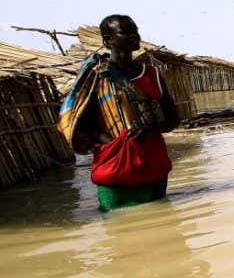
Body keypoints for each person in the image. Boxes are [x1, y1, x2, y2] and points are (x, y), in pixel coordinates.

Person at [58, 15, 179, 212]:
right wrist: (113, 143)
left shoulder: (151, 74)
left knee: (161, 220)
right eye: (125, 32)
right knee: (117, 225)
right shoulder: (95, 77)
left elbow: (173, 120)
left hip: (152, 165)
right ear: (108, 40)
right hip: (114, 167)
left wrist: (149, 129)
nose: (134, 36)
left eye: (136, 31)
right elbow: (76, 123)